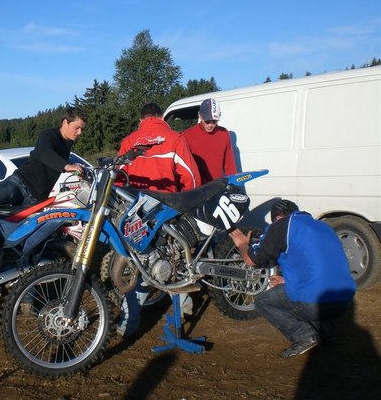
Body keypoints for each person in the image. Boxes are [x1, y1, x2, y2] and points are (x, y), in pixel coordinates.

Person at [229, 199, 356, 358]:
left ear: (276, 218)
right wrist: (287, 281)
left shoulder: (281, 226)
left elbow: (251, 260)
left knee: (263, 301)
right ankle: (327, 332)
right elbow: (318, 264)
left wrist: (242, 244)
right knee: (305, 292)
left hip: (315, 302)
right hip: (344, 302)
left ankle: (303, 336)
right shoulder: (322, 226)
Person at [116, 102, 201, 338]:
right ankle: (182, 308)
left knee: (140, 263)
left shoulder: (128, 141)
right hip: (167, 212)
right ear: (161, 116)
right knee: (174, 261)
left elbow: (118, 180)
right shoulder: (175, 138)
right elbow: (191, 179)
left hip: (137, 213)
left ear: (141, 118)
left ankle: (127, 324)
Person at [0, 107, 87, 206]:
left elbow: (55, 163)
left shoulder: (67, 143)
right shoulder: (49, 135)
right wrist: (66, 165)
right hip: (20, 183)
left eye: (82, 129)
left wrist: (79, 170)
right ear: (65, 123)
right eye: (77, 128)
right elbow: (45, 154)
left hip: (37, 197)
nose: (80, 133)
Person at [182, 98, 236, 184]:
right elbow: (183, 168)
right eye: (207, 121)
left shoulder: (224, 134)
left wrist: (233, 185)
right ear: (199, 115)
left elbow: (229, 165)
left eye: (214, 121)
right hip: (197, 189)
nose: (210, 125)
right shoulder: (187, 135)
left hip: (217, 186)